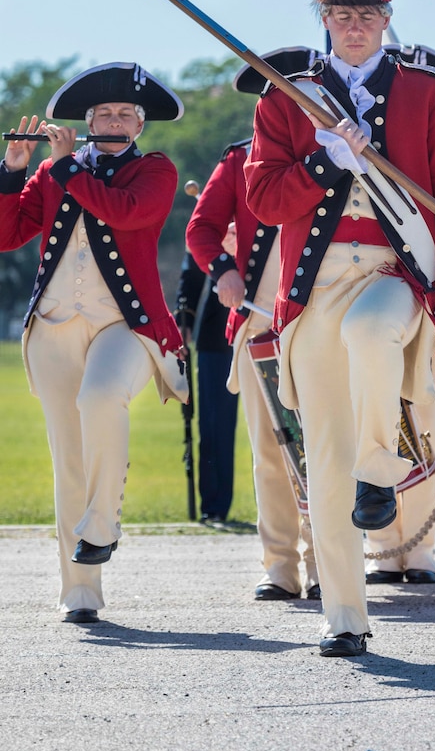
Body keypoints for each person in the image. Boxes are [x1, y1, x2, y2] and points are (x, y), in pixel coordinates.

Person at [244, 0, 435, 655]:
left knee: (370, 330)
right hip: (313, 286)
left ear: (388, 13)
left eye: (367, 14)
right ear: (323, 15)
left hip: (393, 273)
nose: (354, 27)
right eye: (341, 15)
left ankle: (385, 469)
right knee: (325, 448)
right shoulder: (286, 96)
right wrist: (323, 163)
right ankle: (344, 616)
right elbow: (262, 199)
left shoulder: (429, 90)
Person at [0, 62, 187, 624]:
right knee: (67, 460)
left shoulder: (155, 169)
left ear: (140, 126)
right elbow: (7, 234)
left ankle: (103, 521)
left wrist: (60, 168)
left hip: (124, 324)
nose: (112, 120)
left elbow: (124, 212)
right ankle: (79, 591)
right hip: (54, 325)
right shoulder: (59, 168)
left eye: (124, 115)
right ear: (86, 120)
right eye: (102, 114)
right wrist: (12, 171)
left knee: (101, 398)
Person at [186, 47, 320, 602]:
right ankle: (281, 568)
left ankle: (327, 567)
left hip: (319, 323)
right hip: (261, 326)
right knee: (270, 450)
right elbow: (202, 229)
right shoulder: (238, 159)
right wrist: (223, 272)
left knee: (323, 448)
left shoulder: (339, 155)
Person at [362, 44, 435, 585]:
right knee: (375, 415)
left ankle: (421, 548)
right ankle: (382, 546)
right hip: (376, 287)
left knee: (427, 422)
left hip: (432, 301)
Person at [174, 243, 239, 524]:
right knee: (214, 424)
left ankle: (296, 507)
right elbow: (193, 265)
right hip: (217, 330)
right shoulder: (211, 202)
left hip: (272, 321)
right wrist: (184, 316)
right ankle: (214, 507)